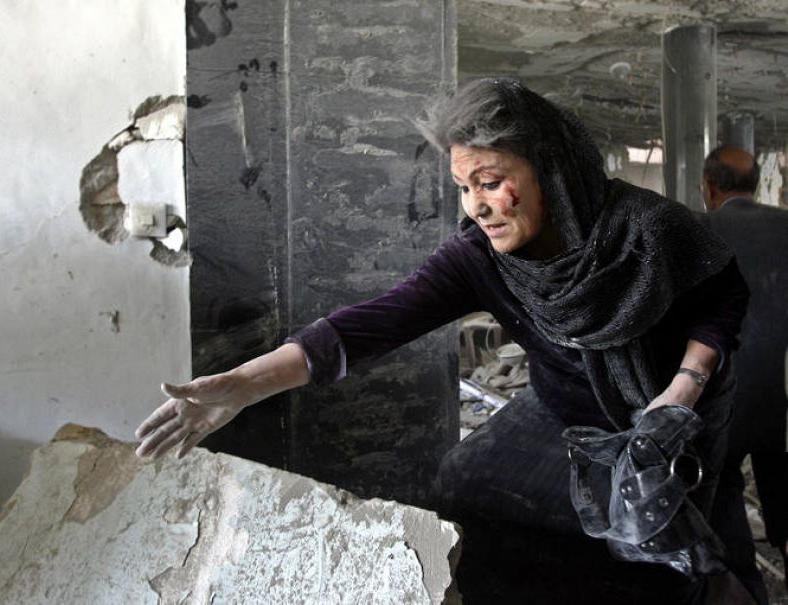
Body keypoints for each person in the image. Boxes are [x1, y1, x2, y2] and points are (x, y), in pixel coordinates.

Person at [135, 78, 752, 603]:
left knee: (669, 534)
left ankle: (718, 581)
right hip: (564, 404)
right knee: (468, 486)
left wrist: (682, 390)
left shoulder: (646, 227)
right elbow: (370, 323)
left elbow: (723, 297)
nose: (478, 207)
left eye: (490, 181)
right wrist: (243, 385)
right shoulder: (480, 257)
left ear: (549, 170)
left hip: (675, 406)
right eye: (464, 188)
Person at [703, 145, 788, 600]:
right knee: (783, 482)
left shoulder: (700, 229)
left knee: (724, 490)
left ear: (709, 188)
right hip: (785, 391)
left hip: (725, 394)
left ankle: (747, 588)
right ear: (757, 184)